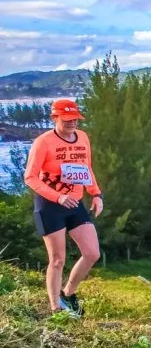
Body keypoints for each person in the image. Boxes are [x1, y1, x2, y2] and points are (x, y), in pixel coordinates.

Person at [24, 98, 103, 317]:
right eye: (67, 119)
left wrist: (95, 193)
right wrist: (58, 197)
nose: (72, 124)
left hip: (75, 202)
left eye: (75, 119)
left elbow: (85, 168)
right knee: (57, 259)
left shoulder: (83, 138)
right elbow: (30, 177)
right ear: (54, 118)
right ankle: (55, 307)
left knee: (92, 252)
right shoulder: (43, 142)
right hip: (50, 205)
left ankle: (68, 292)